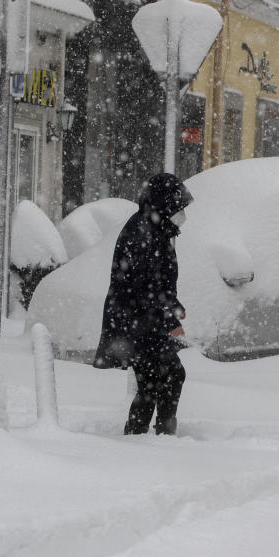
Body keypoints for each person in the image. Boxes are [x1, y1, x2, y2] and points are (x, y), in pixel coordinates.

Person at [94, 173, 193, 436]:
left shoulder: (154, 227)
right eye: (178, 206)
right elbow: (145, 286)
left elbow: (156, 281)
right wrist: (170, 319)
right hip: (138, 322)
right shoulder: (143, 232)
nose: (182, 213)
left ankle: (141, 434)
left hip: (140, 320)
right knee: (171, 375)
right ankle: (161, 433)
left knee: (151, 381)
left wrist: (174, 306)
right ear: (164, 203)